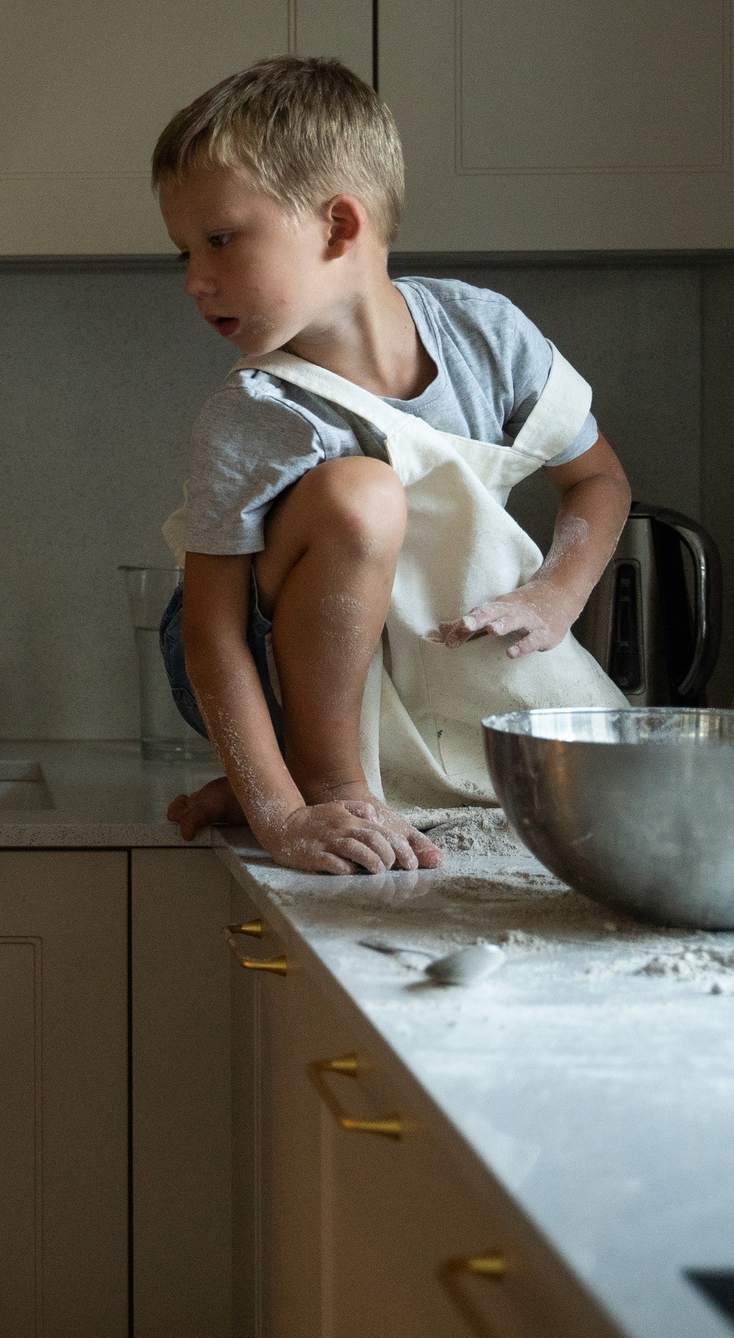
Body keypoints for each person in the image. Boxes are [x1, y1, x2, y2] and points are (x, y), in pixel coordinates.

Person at [153, 57, 633, 874]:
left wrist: (556, 595)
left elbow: (599, 480)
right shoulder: (258, 410)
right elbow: (212, 637)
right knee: (362, 493)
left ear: (340, 226)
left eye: (222, 239)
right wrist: (286, 819)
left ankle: (311, 769)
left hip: (416, 662)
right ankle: (331, 779)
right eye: (184, 253)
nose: (196, 280)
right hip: (252, 658)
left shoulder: (486, 336)